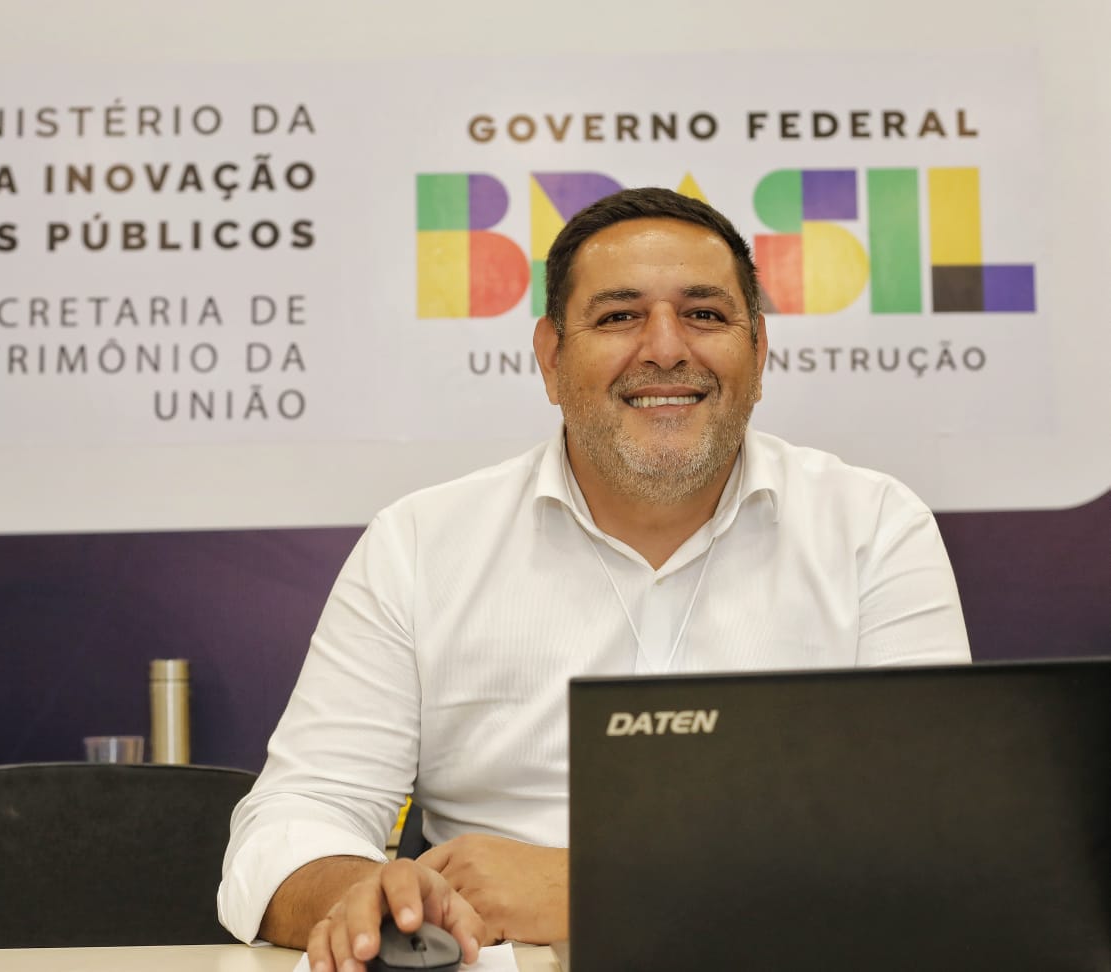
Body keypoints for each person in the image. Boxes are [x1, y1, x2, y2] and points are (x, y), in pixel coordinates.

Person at [217, 188, 971, 971]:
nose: (666, 348)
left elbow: (941, 836)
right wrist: (372, 899)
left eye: (704, 314)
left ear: (759, 352)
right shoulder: (420, 543)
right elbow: (294, 821)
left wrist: (594, 889)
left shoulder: (873, 528)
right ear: (550, 358)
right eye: (618, 316)